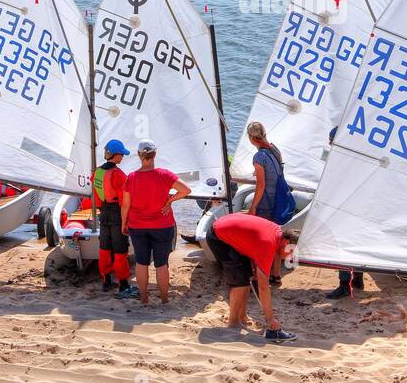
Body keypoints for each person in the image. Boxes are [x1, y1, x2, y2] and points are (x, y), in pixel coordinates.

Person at [206, 212, 297, 343]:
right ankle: (233, 322)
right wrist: (270, 319)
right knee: (240, 282)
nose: (291, 257)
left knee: (247, 278)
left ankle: (242, 317)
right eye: (292, 252)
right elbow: (264, 287)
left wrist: (254, 267)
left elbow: (253, 242)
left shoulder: (277, 233)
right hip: (218, 237)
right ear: (287, 242)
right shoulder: (269, 243)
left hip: (228, 228)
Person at [122, 140, 190, 305]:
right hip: (163, 226)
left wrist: (123, 223)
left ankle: (144, 298)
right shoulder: (165, 175)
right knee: (161, 264)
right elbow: (186, 190)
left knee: (141, 262)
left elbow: (125, 205)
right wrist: (170, 200)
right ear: (155, 154)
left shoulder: (131, 177)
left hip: (138, 226)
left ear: (139, 155)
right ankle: (164, 299)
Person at [93, 139, 137, 298]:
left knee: (105, 248)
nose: (123, 157)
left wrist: (101, 210)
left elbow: (97, 197)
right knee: (120, 250)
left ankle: (105, 280)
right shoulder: (118, 174)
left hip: (103, 212)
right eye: (122, 155)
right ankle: (124, 285)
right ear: (116, 155)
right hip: (117, 213)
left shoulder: (96, 172)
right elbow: (126, 199)